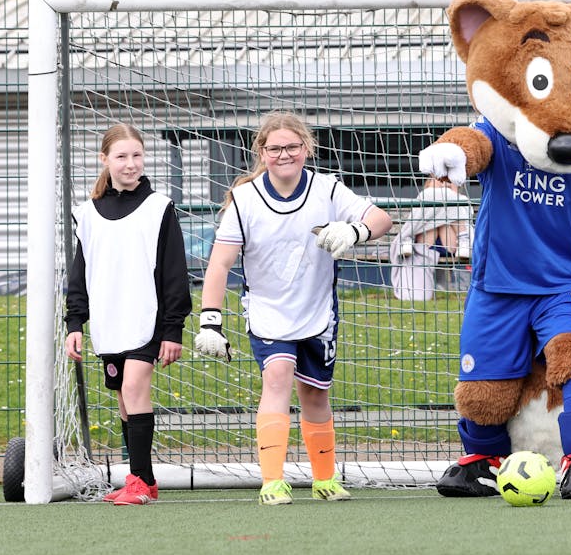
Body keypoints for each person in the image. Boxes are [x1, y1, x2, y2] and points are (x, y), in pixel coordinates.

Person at [194, 111, 393, 505]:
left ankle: (325, 479)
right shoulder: (245, 199)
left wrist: (356, 230)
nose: (284, 154)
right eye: (274, 148)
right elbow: (219, 263)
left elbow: (381, 218)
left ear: (307, 149)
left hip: (317, 310)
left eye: (292, 147)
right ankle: (272, 480)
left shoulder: (328, 189)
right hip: (268, 309)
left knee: (315, 395)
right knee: (278, 377)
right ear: (261, 152)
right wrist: (210, 322)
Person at [63, 123, 192, 506]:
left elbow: (174, 273)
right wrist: (75, 322)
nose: (131, 163)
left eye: (137, 155)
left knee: (135, 389)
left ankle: (137, 484)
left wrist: (173, 329)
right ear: (104, 160)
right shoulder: (87, 214)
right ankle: (143, 478)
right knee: (123, 396)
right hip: (109, 321)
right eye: (121, 156)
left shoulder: (159, 208)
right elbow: (80, 273)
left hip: (147, 319)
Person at [391, 178, 473, 301]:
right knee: (434, 211)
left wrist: (446, 199)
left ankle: (463, 239)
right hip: (425, 245)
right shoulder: (424, 200)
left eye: (449, 184)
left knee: (447, 210)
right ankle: (409, 237)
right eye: (440, 183)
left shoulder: (461, 201)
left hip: (451, 244)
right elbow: (415, 221)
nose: (444, 185)